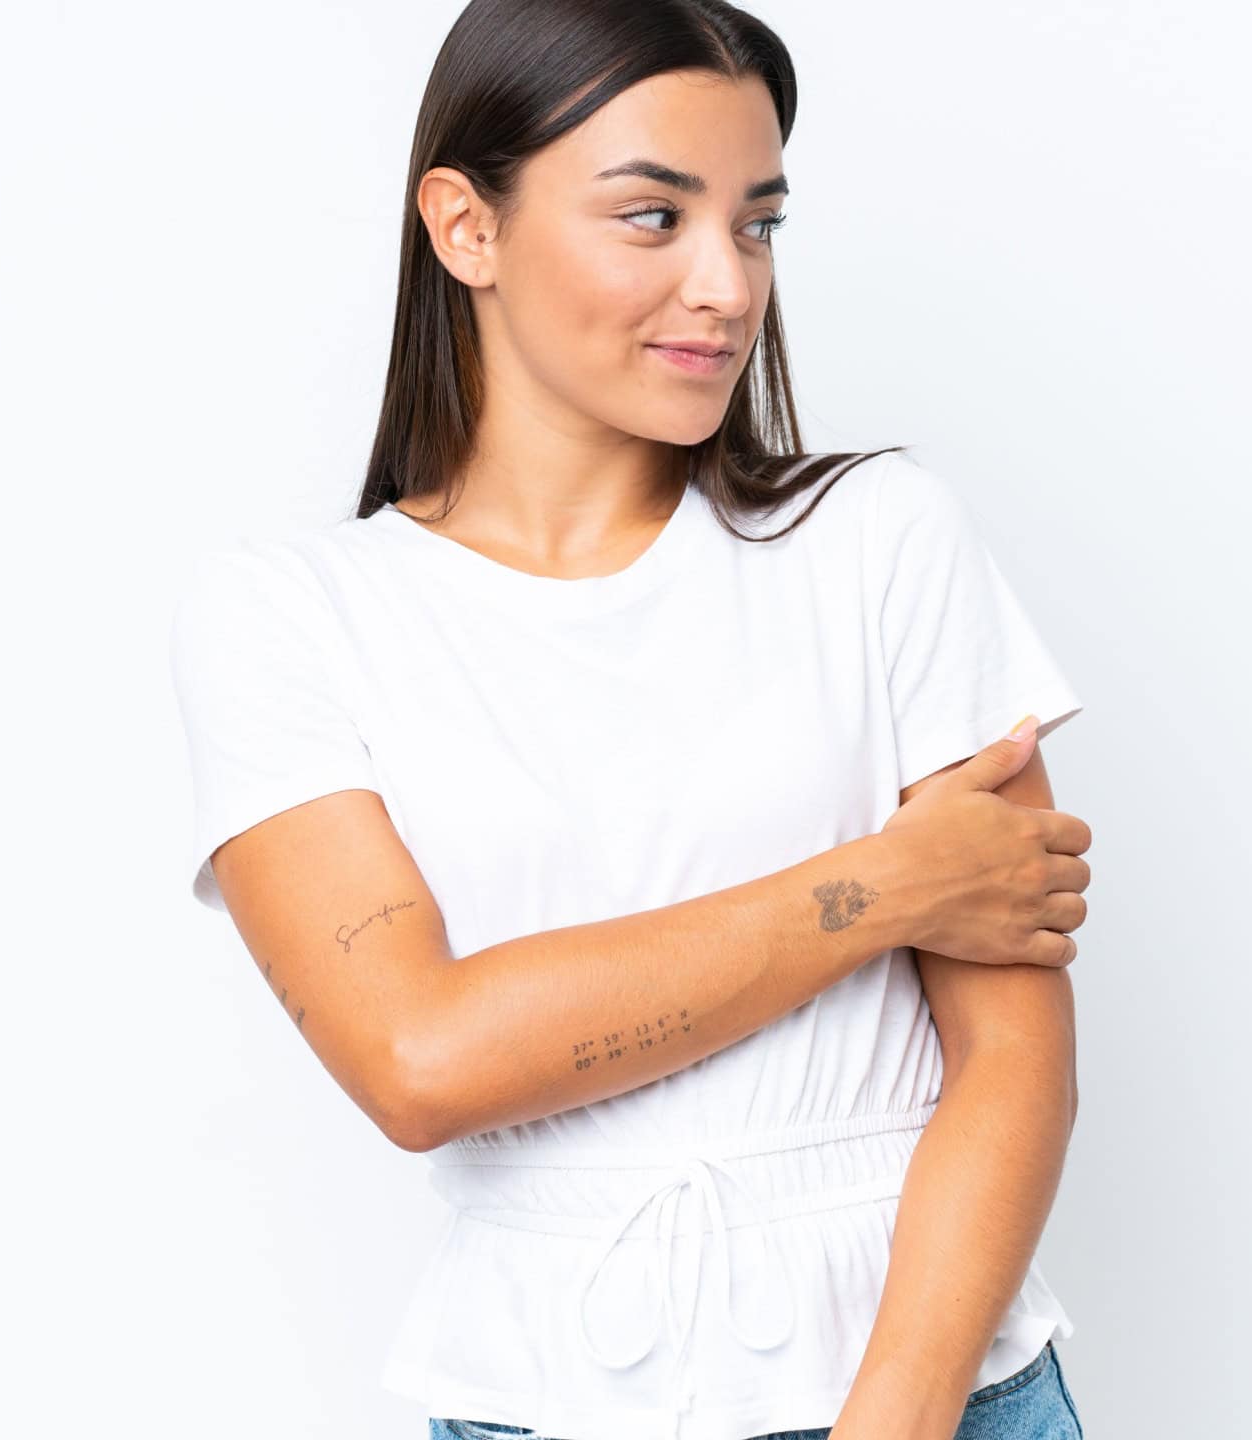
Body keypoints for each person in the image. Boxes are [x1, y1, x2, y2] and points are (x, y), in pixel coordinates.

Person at [168, 2, 1093, 1436]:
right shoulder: (296, 618)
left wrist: (898, 1415)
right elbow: (420, 1063)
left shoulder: (875, 539)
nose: (727, 285)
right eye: (654, 217)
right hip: (545, 1400)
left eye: (758, 224)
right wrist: (887, 886)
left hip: (942, 1399)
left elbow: (1014, 1057)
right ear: (466, 227)